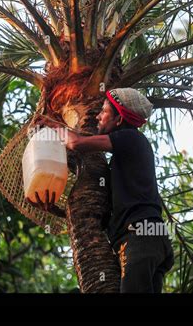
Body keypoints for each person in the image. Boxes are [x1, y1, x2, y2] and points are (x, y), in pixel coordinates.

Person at [26, 88, 174, 293]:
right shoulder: (123, 160)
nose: (98, 116)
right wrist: (56, 210)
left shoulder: (131, 138)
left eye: (104, 111)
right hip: (152, 241)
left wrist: (55, 127)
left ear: (119, 120)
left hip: (140, 237)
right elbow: (96, 213)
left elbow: (77, 143)